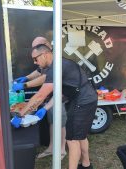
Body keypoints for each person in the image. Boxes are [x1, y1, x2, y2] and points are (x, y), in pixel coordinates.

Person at [18, 39, 97, 169]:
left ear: (44, 55)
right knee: (80, 135)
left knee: (72, 139)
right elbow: (60, 92)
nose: (34, 62)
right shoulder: (58, 64)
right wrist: (46, 108)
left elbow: (40, 95)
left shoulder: (56, 67)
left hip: (83, 101)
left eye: (35, 59)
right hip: (84, 98)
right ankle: (86, 164)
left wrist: (21, 114)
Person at [12, 37, 67, 159]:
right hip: (50, 95)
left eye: (38, 47)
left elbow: (44, 78)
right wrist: (26, 78)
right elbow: (38, 72)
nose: (35, 51)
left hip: (61, 95)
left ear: (46, 46)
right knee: (52, 121)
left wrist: (24, 85)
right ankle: (52, 148)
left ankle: (62, 149)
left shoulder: (57, 60)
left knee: (60, 122)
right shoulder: (43, 60)